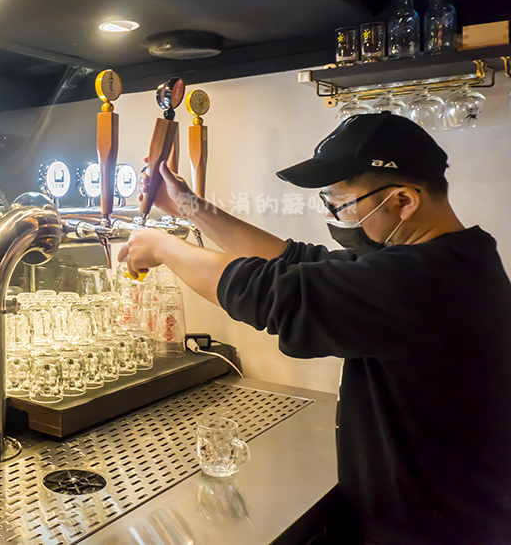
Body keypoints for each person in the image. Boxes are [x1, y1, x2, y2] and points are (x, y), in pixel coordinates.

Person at [118, 112, 511, 544]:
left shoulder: (426, 281)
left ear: (403, 201)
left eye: (341, 204)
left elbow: (274, 291)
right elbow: (293, 261)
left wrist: (164, 247)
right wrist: (188, 208)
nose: (335, 216)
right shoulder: (453, 259)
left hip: (426, 531)